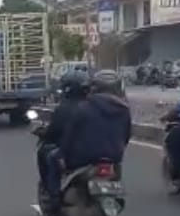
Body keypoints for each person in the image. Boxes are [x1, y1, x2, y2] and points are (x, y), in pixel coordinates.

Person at [51, 71, 132, 203]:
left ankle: (55, 197)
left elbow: (69, 135)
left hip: (85, 158)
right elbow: (126, 135)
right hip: (114, 157)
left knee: (53, 158)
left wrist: (62, 155)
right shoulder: (124, 110)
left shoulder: (83, 107)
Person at [37, 71, 90, 207]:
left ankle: (53, 195)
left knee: (47, 154)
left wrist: (44, 134)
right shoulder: (94, 105)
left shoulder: (65, 108)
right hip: (99, 153)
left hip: (75, 152)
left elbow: (54, 131)